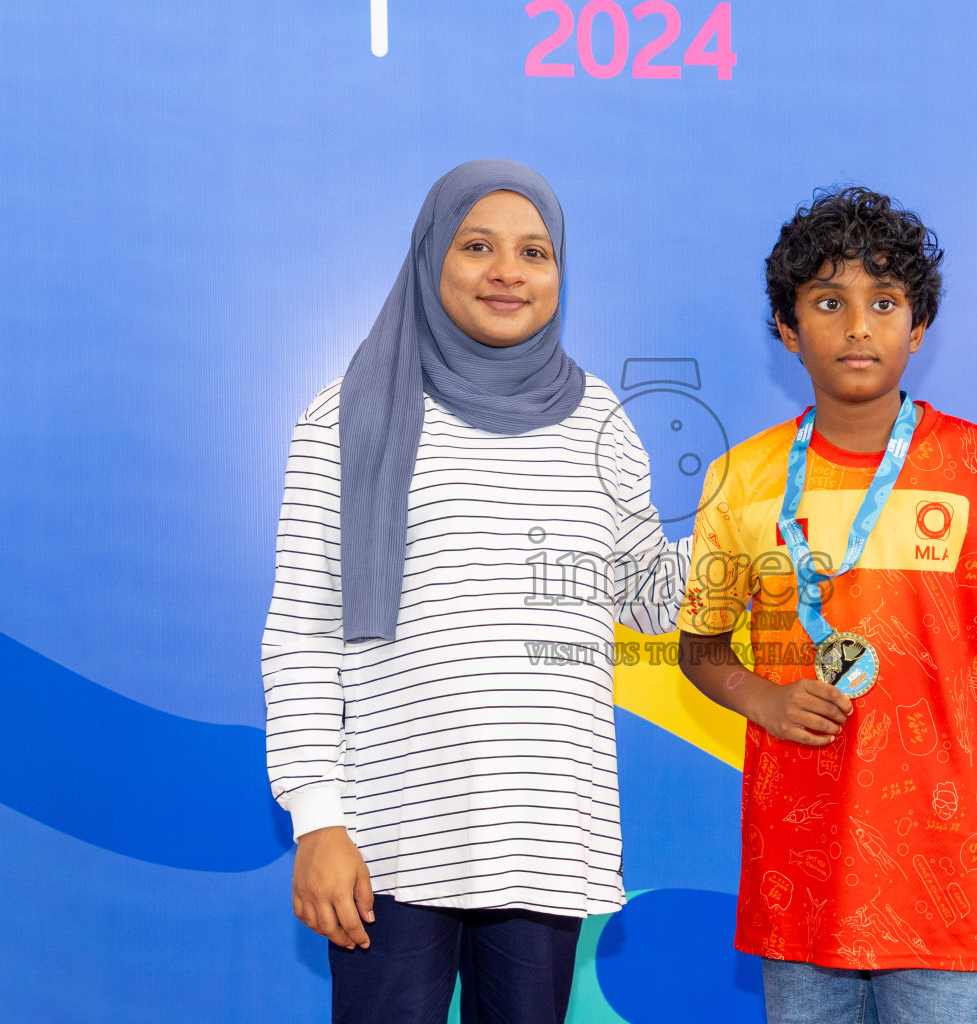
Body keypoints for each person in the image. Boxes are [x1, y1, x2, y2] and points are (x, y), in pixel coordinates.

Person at [262, 159, 689, 1024]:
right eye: (478, 246)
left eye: (534, 251)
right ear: (430, 259)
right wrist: (316, 819)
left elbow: (651, 598)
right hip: (385, 841)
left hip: (542, 839)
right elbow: (303, 634)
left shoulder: (599, 417)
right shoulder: (347, 415)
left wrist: (754, 527)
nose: (508, 271)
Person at [677, 187, 977, 1024]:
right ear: (787, 329)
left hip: (945, 877)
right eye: (828, 302)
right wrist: (766, 700)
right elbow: (700, 648)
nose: (858, 326)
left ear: (917, 330)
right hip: (801, 877)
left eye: (883, 303)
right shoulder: (743, 479)